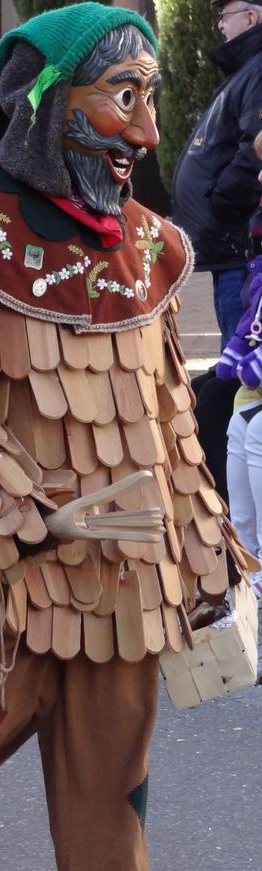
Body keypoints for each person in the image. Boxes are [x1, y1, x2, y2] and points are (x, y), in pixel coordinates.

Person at [0, 6, 247, 871]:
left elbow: (165, 414)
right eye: (124, 97)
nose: (148, 132)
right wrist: (30, 516)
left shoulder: (149, 247)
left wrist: (201, 539)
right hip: (9, 581)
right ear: (39, 102)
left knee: (113, 792)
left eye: (150, 98)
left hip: (126, 582)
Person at [172, 0, 262, 505]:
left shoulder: (258, 69)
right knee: (231, 370)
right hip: (226, 245)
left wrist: (222, 205)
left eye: (225, 14)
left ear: (251, 18)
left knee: (237, 373)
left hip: (236, 247)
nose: (219, 25)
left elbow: (255, 146)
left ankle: (232, 498)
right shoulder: (247, 69)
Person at [216, 130, 262, 594]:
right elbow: (252, 318)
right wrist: (236, 352)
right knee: (235, 425)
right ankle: (249, 592)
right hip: (253, 400)